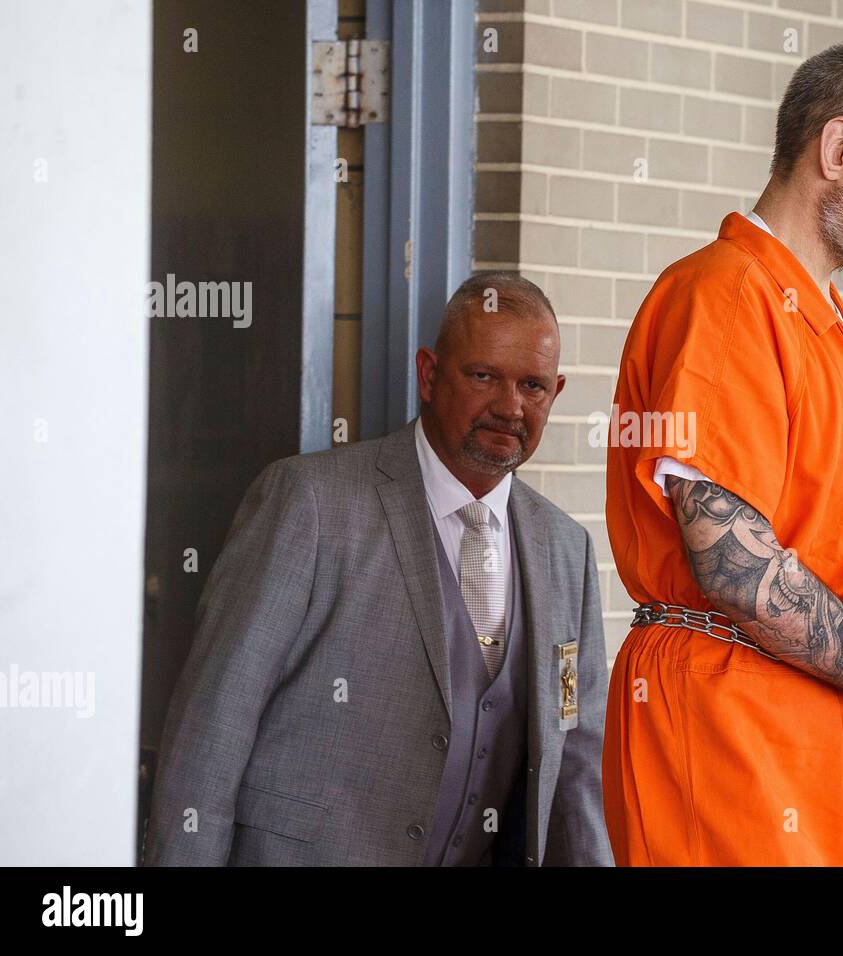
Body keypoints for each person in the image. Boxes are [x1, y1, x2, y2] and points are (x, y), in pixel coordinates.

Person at [602, 41, 843, 866]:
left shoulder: (826, 325)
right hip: (721, 729)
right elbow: (739, 568)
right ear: (838, 149)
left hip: (807, 736)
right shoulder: (725, 293)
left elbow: (819, 562)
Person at [144, 272, 613, 866]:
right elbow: (213, 722)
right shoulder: (309, 502)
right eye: (483, 375)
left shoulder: (565, 549)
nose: (509, 406)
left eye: (533, 386)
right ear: (428, 374)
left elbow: (577, 769)